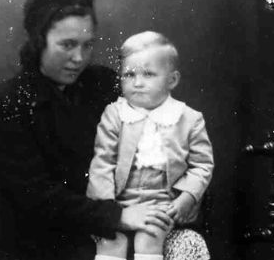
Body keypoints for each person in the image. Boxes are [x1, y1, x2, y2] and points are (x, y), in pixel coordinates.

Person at [0, 0, 173, 260]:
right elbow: (34, 196)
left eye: (87, 45)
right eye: (67, 45)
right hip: (48, 241)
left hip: (120, 221)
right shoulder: (8, 102)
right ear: (38, 40)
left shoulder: (105, 84)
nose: (79, 58)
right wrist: (116, 217)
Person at [87, 31, 214, 260]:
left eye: (148, 74)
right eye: (129, 74)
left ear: (172, 80)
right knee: (110, 240)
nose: (137, 83)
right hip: (119, 204)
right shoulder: (115, 114)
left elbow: (202, 165)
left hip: (162, 204)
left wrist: (186, 198)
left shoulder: (188, 118)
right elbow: (102, 162)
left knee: (149, 236)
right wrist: (107, 210)